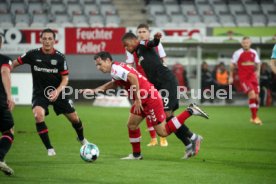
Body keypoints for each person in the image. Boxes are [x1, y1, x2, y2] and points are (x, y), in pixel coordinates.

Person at [80, 51, 209, 160]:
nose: (98, 67)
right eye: (96, 65)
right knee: (131, 125)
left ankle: (190, 111)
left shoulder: (116, 68)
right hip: (143, 99)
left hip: (149, 99)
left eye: (99, 64)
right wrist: (94, 90)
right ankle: (136, 155)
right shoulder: (116, 70)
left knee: (163, 132)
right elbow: (113, 84)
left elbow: (133, 78)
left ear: (108, 60)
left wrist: (137, 99)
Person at [123, 29, 203, 159]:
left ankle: (192, 125)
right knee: (169, 118)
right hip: (159, 86)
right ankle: (189, 143)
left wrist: (156, 39)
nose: (126, 48)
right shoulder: (138, 52)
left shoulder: (142, 45)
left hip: (166, 82)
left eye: (126, 45)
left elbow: (152, 43)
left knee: (166, 116)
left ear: (133, 40)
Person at [12, 28, 89, 156]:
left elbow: (65, 79)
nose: (47, 41)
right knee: (38, 115)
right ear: (41, 39)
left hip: (58, 92)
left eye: (50, 39)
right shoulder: (32, 54)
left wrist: (57, 92)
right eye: (45, 38)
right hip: (40, 93)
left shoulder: (60, 57)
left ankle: (81, 138)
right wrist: (5, 71)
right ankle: (49, 148)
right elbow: (14, 63)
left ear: (54, 40)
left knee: (74, 119)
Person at [126, 24, 168, 147]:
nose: (142, 33)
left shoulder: (156, 44)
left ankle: (163, 138)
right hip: (142, 82)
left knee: (160, 108)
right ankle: (153, 138)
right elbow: (129, 65)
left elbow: (163, 60)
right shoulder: (132, 47)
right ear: (136, 34)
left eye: (144, 31)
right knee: (146, 109)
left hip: (156, 79)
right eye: (139, 31)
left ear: (148, 33)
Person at [229, 36, 262, 125]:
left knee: (257, 98)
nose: (246, 44)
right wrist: (231, 76)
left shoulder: (254, 52)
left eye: (247, 42)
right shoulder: (237, 53)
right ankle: (255, 118)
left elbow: (258, 63)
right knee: (251, 94)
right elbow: (232, 64)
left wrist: (258, 72)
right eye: (244, 43)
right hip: (243, 78)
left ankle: (254, 116)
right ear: (241, 44)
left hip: (253, 78)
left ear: (250, 43)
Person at [0, 35, 15, 176]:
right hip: (0, 101)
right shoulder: (4, 60)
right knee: (8, 131)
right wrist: (9, 95)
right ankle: (0, 158)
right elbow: (4, 72)